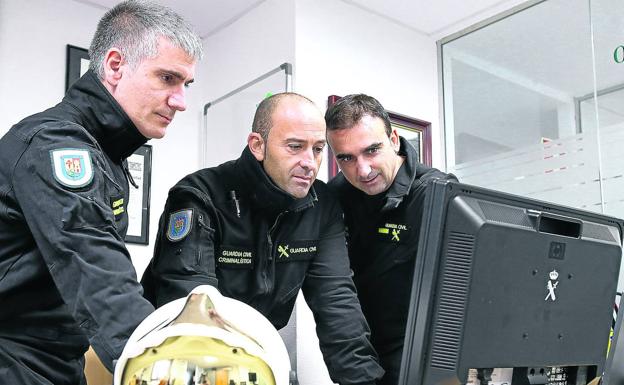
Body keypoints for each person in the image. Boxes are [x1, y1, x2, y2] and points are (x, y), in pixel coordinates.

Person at [0, 1, 202, 384]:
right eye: (168, 79)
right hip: (13, 357)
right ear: (114, 66)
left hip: (57, 358)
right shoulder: (55, 144)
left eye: (186, 85)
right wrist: (165, 368)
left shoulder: (108, 155)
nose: (181, 101)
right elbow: (91, 260)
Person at [142, 93, 384, 385]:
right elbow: (193, 309)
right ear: (258, 145)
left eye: (318, 149)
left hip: (253, 353)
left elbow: (337, 304)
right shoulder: (199, 195)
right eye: (295, 147)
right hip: (172, 358)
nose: (310, 162)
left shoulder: (323, 205)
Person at [325, 94, 457, 385]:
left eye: (371, 150)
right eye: (346, 158)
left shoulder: (437, 194)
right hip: (360, 354)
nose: (362, 169)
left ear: (394, 139)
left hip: (425, 358)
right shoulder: (334, 199)